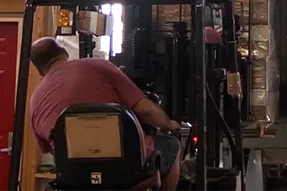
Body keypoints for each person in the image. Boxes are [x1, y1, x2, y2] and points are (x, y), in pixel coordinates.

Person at [29, 37, 181, 190]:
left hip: (74, 176)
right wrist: (169, 124)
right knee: (172, 146)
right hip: (125, 168)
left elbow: (49, 148)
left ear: (39, 68)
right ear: (64, 52)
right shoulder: (96, 66)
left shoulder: (35, 101)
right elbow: (145, 109)